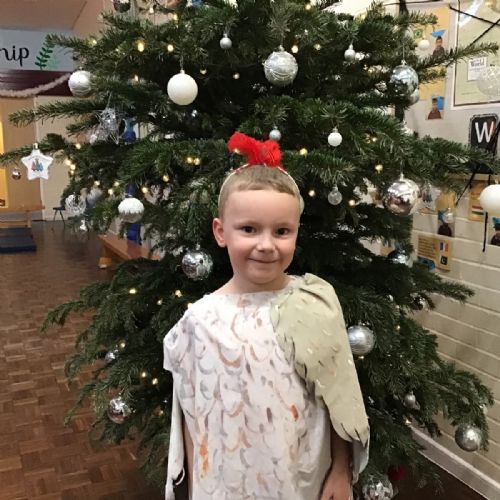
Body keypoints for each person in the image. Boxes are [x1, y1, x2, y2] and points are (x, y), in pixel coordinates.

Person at [163, 132, 369, 500]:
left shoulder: (313, 303)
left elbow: (339, 397)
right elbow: (193, 422)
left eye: (282, 231)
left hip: (302, 479)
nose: (266, 245)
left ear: (296, 233)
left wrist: (341, 470)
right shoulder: (200, 322)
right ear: (220, 231)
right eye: (249, 229)